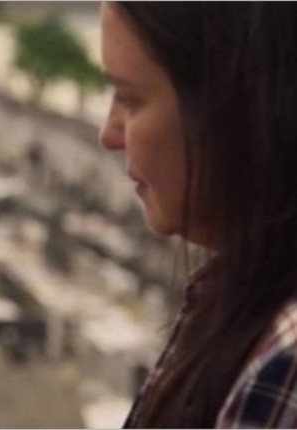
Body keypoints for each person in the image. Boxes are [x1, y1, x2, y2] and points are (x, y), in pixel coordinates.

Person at [99, 3, 297, 428]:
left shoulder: (285, 362)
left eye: (130, 99)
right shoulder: (236, 297)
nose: (109, 134)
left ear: (234, 105)